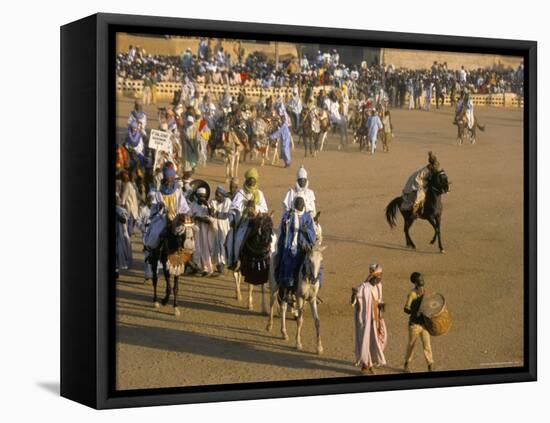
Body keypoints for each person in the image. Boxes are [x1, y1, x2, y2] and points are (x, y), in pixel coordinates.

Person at [274, 196, 317, 303]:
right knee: (289, 262)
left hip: (304, 247)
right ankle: (288, 290)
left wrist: (306, 231)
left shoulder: (307, 217)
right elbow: (283, 228)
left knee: (316, 263)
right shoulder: (289, 214)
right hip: (291, 245)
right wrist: (286, 223)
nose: (300, 205)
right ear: (294, 204)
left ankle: (313, 290)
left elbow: (313, 234)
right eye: (298, 203)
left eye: (301, 203)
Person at [226, 168, 268, 270]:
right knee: (237, 239)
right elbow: (233, 207)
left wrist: (255, 208)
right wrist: (245, 206)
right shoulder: (240, 193)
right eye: (250, 180)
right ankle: (235, 260)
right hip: (244, 222)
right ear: (246, 180)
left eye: (253, 180)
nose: (252, 182)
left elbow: (265, 209)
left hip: (256, 221)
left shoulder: (259, 194)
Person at [351, 264, 387, 374]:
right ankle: (365, 365)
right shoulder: (363, 287)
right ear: (373, 276)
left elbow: (380, 300)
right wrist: (353, 295)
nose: (380, 279)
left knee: (380, 339)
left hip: (377, 317)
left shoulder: (379, 286)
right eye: (378, 276)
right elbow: (354, 302)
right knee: (366, 340)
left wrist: (382, 307)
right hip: (365, 319)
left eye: (381, 276)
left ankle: (371, 362)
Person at [403, 272, 434, 372]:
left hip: (424, 325)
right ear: (415, 283)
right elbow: (406, 309)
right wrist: (415, 311)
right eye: (420, 279)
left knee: (427, 345)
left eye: (422, 278)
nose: (422, 280)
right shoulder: (412, 294)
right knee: (411, 345)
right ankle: (406, 364)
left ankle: (430, 365)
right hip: (414, 325)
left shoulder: (425, 292)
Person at [190, 187, 215, 276]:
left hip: (205, 231)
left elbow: (212, 217)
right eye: (200, 196)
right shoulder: (192, 205)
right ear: (197, 196)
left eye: (204, 196)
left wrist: (208, 206)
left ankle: (207, 268)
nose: (202, 198)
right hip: (195, 230)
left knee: (205, 248)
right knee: (196, 248)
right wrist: (196, 218)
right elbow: (189, 217)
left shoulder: (207, 206)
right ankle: (197, 267)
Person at [210, 186, 232, 274]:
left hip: (224, 227)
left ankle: (223, 263)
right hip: (214, 226)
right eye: (216, 195)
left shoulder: (228, 201)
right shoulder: (212, 202)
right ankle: (218, 264)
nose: (217, 197)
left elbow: (225, 215)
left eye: (219, 195)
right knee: (215, 245)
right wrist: (216, 214)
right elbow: (211, 213)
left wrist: (216, 214)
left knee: (223, 244)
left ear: (223, 195)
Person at [115, 194, 133, 273]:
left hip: (119, 233)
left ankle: (116, 269)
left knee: (118, 251)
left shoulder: (121, 210)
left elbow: (124, 220)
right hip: (118, 233)